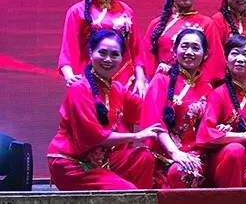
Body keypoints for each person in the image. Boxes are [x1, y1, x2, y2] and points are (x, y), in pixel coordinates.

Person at [48, 29, 162, 190]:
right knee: (126, 191)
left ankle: (141, 198)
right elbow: (93, 136)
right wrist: (136, 135)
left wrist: (163, 81)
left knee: (144, 157)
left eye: (115, 54)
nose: (108, 59)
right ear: (90, 52)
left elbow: (148, 110)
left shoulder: (117, 89)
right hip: (72, 163)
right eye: (102, 53)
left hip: (101, 160)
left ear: (122, 58)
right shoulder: (79, 88)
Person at [58, 0, 147, 95]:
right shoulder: (77, 11)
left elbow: (137, 50)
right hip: (90, 82)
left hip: (124, 83)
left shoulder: (126, 10)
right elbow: (68, 49)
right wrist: (69, 76)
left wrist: (140, 79)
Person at [194, 35, 246, 187]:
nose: (240, 59)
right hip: (224, 160)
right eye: (235, 53)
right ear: (226, 59)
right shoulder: (218, 93)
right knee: (235, 150)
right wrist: (244, 136)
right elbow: (207, 133)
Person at [141, 28, 214, 188]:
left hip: (197, 154)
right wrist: (175, 152)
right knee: (179, 172)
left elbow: (208, 127)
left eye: (196, 48)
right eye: (184, 46)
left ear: (205, 54)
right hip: (165, 153)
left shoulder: (208, 88)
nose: (189, 52)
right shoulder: (162, 79)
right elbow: (155, 122)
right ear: (175, 49)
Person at [142, 0, 225, 85]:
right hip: (162, 86)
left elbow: (215, 63)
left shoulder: (207, 24)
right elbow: (145, 58)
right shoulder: (156, 24)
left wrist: (191, 86)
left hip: (195, 90)